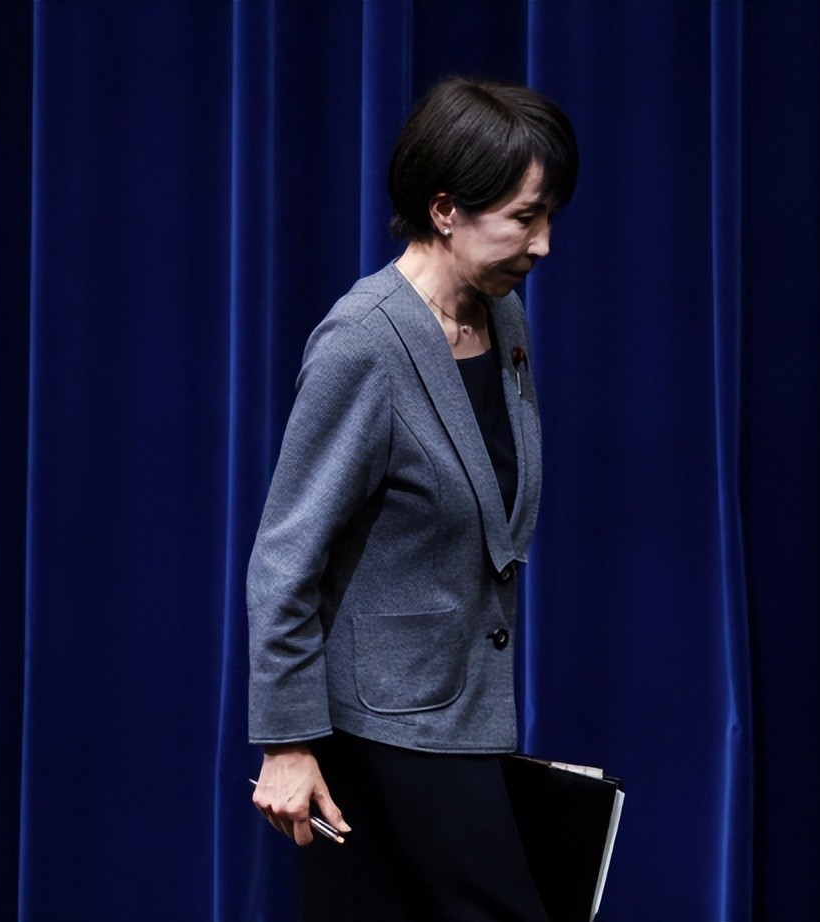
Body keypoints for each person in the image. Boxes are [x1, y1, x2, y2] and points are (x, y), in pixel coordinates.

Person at [246, 77, 577, 921]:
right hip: (386, 729)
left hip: (464, 710)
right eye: (525, 218)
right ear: (445, 210)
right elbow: (285, 558)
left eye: (549, 218)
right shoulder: (363, 343)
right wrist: (286, 742)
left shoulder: (502, 319)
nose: (543, 245)